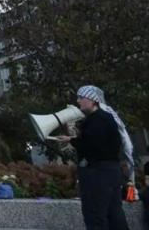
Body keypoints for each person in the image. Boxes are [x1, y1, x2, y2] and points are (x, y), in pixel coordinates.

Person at [52, 86, 130, 230]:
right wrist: (72, 138)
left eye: (81, 98)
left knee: (95, 215)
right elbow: (99, 141)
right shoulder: (105, 118)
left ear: (93, 100)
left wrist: (73, 141)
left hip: (97, 174)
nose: (78, 101)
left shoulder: (97, 119)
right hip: (111, 172)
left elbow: (92, 144)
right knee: (114, 214)